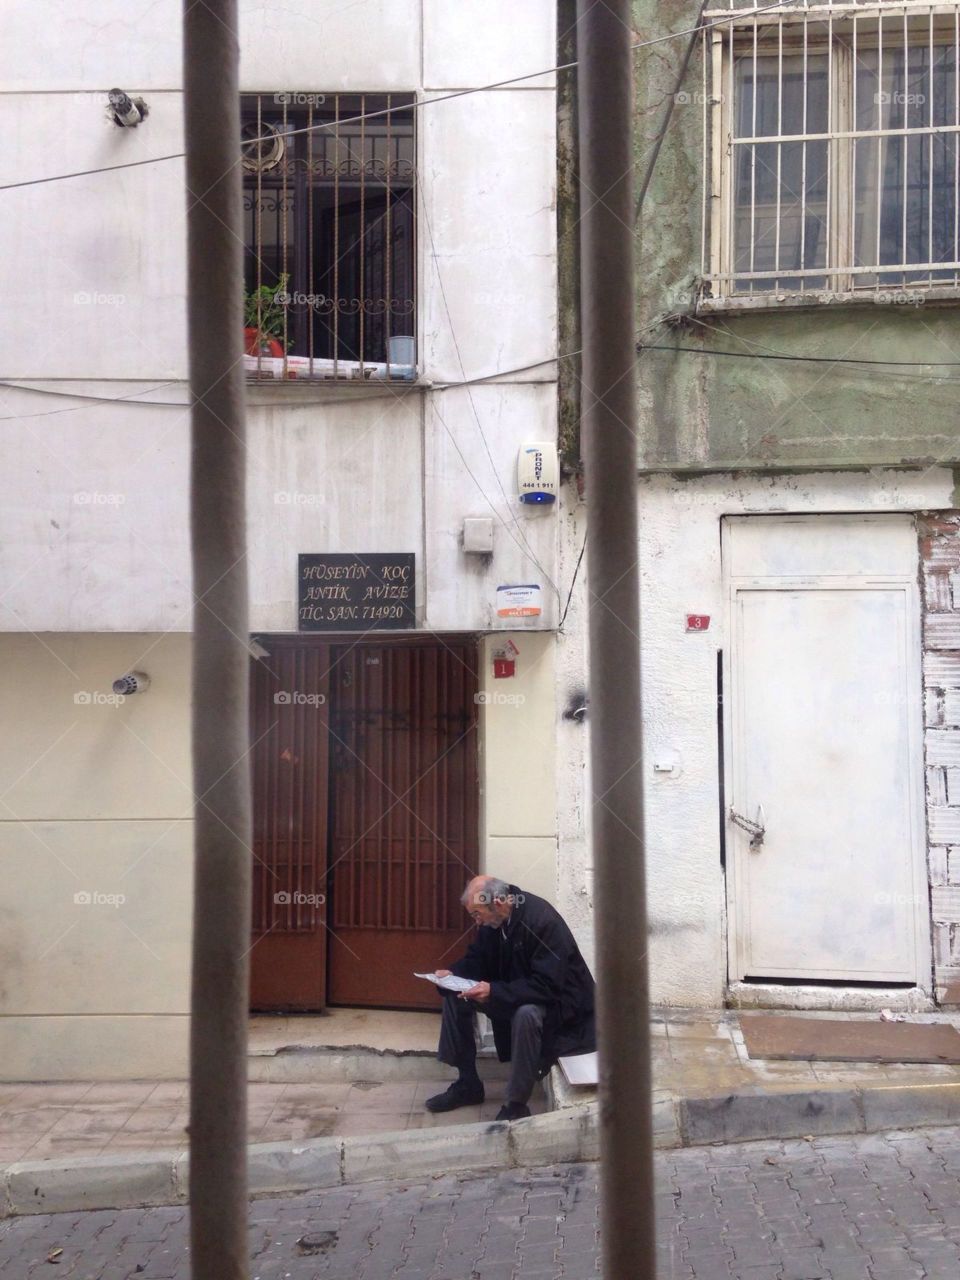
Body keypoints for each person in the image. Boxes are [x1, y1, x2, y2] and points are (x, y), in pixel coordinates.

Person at [425, 874, 596, 1121]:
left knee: (526, 1014)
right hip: (516, 992)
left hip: (561, 1008)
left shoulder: (541, 921)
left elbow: (546, 986)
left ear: (499, 902)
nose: (476, 922)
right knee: (455, 996)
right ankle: (468, 1084)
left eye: (476, 914)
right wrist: (451, 976)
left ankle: (516, 1104)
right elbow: (477, 959)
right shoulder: (493, 923)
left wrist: (494, 992)